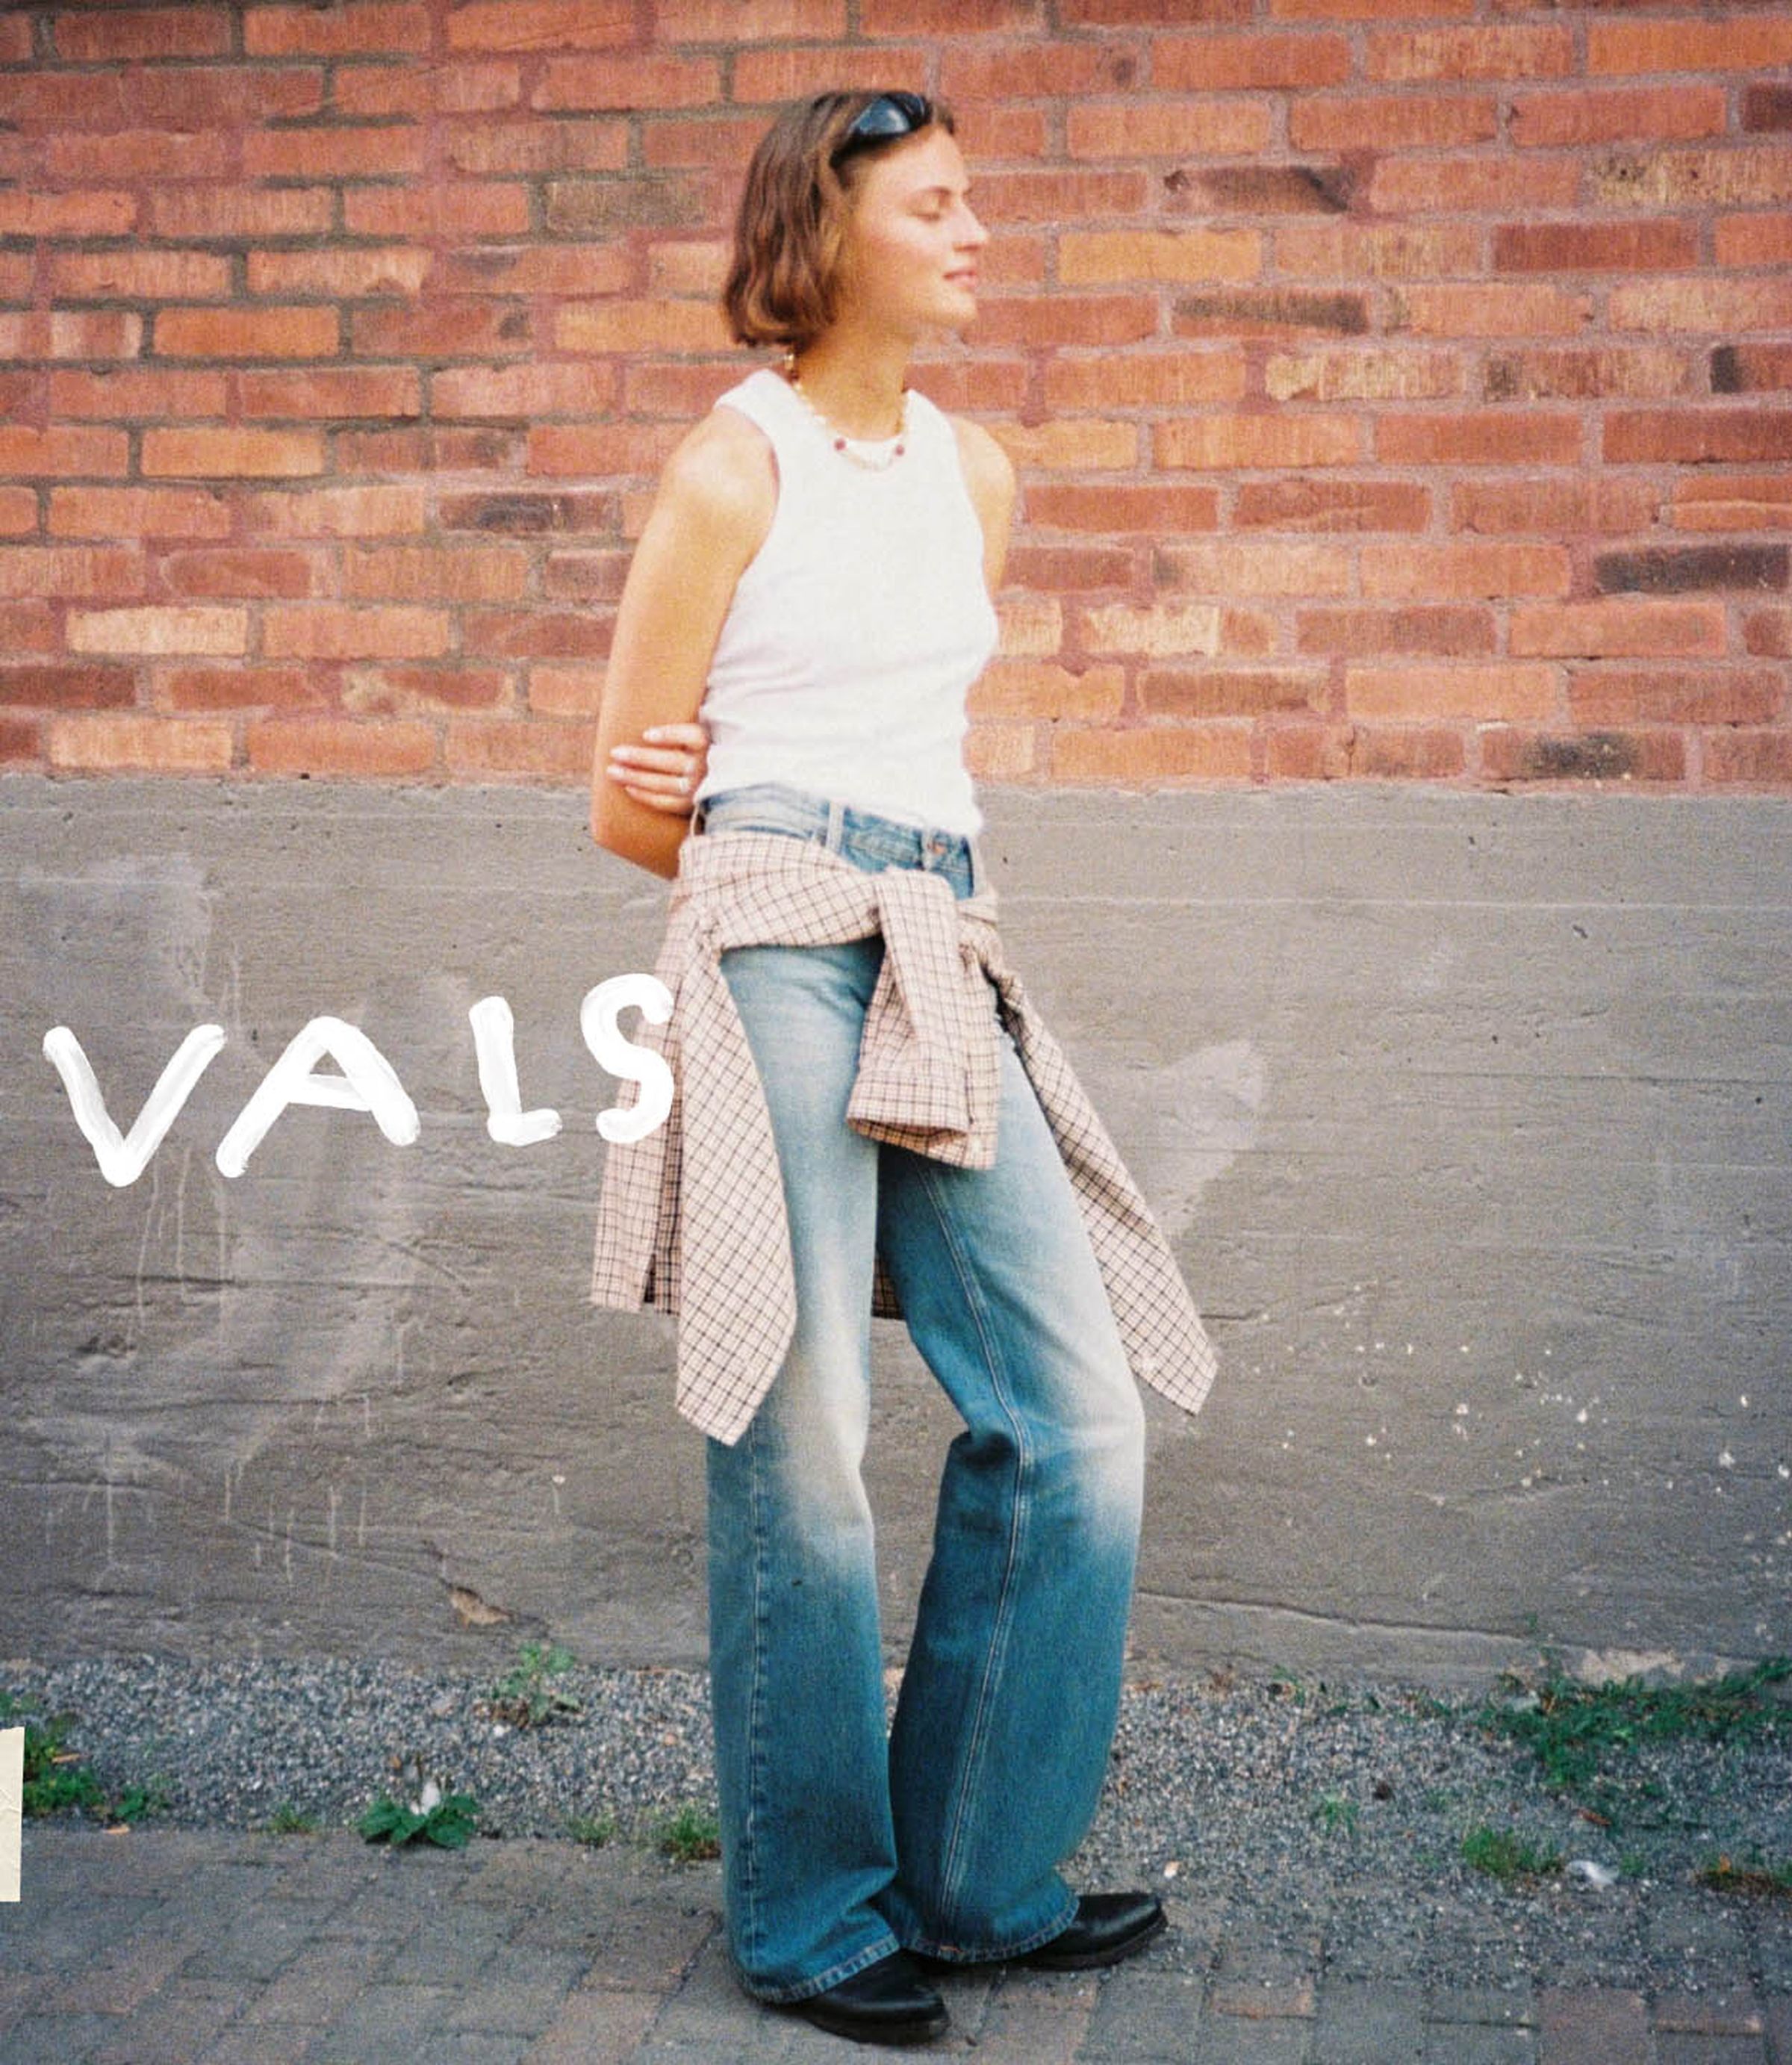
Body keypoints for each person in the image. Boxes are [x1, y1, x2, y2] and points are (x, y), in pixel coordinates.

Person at [588, 90, 1217, 2049]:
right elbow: (626, 806)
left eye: (971, 200)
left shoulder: (978, 473)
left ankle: (975, 1881)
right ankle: (809, 1914)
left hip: (946, 941)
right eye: (933, 204)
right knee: (801, 1439)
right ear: (832, 226)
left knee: (1077, 1410)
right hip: (778, 938)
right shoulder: (727, 469)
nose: (973, 230)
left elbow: (926, 744)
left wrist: (898, 880)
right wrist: (759, 849)